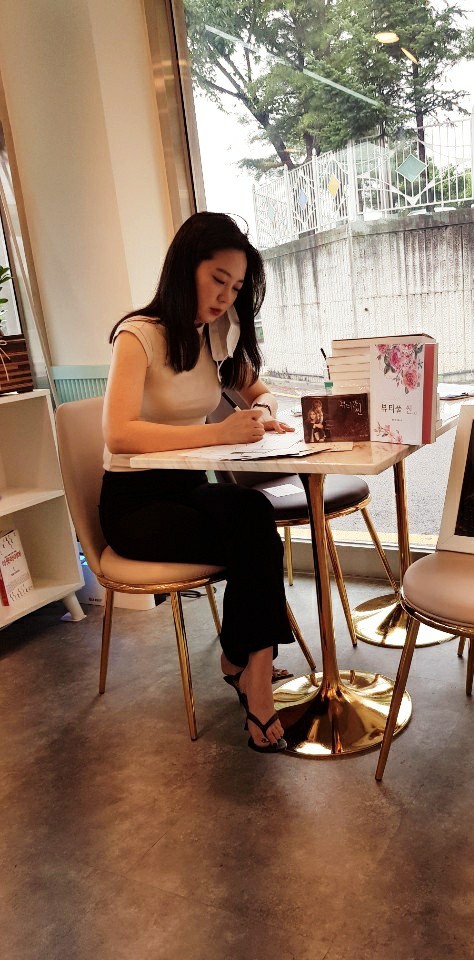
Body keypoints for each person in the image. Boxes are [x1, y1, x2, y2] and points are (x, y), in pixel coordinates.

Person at [100, 211, 295, 753]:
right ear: (187, 266)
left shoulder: (215, 336)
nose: (225, 297)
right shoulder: (139, 336)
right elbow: (118, 433)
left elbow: (260, 391)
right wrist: (217, 433)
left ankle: (244, 662)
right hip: (134, 507)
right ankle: (253, 677)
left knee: (254, 514)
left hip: (187, 490)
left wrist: (264, 414)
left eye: (235, 288)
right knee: (253, 541)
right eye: (218, 280)